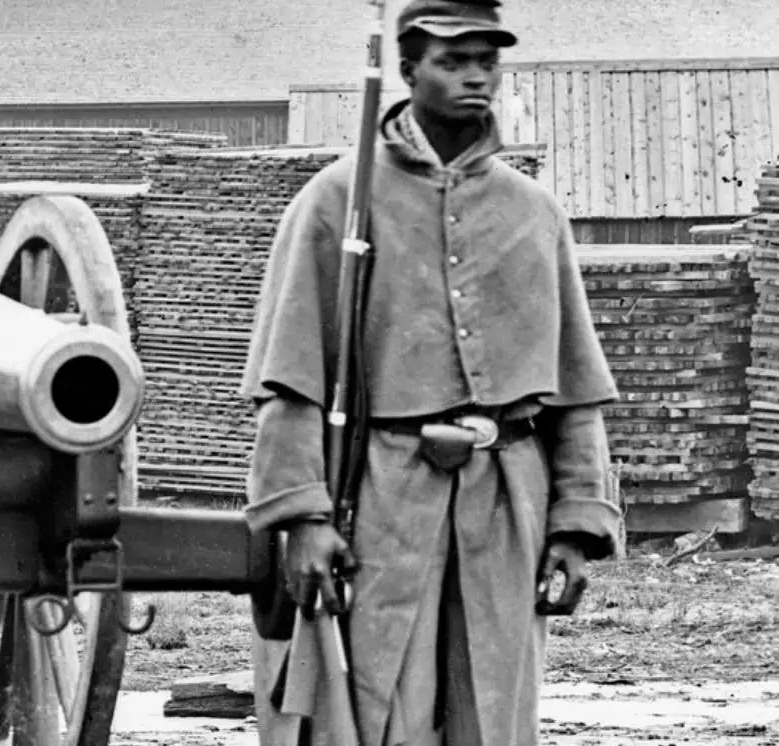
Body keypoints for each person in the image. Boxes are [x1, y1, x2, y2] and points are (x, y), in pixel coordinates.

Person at [239, 1, 624, 744]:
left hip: (506, 494)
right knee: (378, 703)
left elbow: (575, 394)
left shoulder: (533, 213)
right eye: (453, 61)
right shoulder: (334, 203)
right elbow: (289, 382)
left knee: (495, 704)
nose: (475, 76)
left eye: (487, 60)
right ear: (409, 71)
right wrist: (306, 518)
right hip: (382, 489)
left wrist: (576, 526)